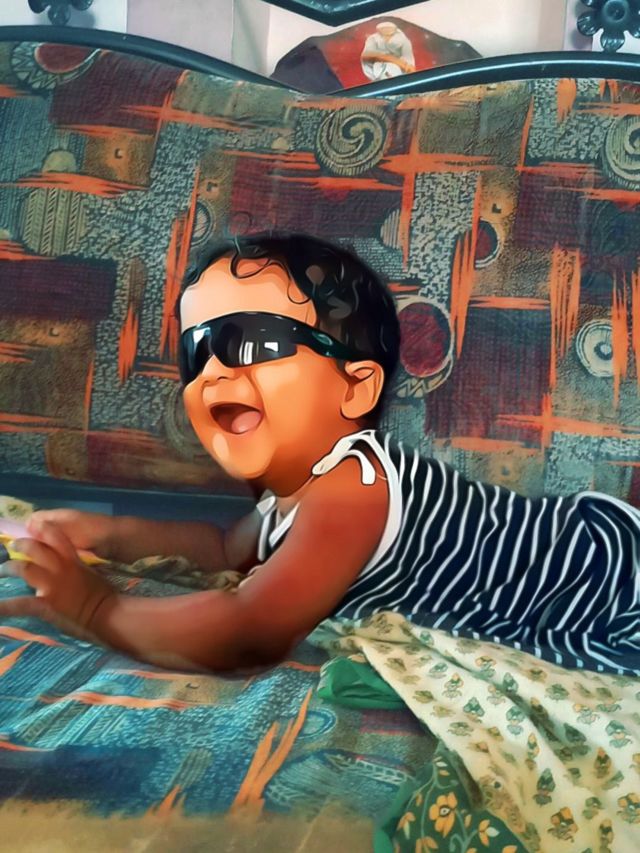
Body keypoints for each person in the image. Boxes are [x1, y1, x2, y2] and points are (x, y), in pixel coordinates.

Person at [0, 233, 638, 676]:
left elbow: (251, 628)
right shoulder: (291, 496)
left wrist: (98, 609)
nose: (214, 371)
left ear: (355, 388)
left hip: (603, 576)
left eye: (251, 343)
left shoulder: (352, 486)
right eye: (198, 352)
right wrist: (105, 533)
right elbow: (222, 551)